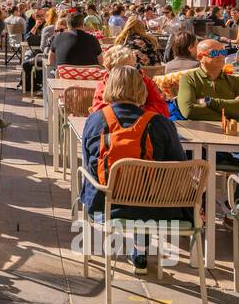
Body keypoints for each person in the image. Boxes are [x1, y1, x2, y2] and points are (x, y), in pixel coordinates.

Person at [80, 65, 188, 272]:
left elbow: (88, 162)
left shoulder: (96, 120)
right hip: (156, 208)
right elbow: (179, 164)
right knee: (147, 186)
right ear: (142, 90)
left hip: (105, 205)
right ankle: (141, 249)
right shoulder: (161, 123)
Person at [177, 38, 239, 121]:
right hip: (201, 131)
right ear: (200, 57)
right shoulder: (188, 78)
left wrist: (209, 102)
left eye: (223, 52)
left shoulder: (236, 81)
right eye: (214, 53)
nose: (220, 56)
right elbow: (188, 111)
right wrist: (230, 114)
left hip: (233, 131)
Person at [89, 44, 169, 117]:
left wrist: (137, 114)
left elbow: (162, 108)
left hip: (142, 125)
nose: (126, 72)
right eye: (120, 69)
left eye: (130, 67)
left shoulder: (144, 80)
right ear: (110, 70)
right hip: (114, 127)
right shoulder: (105, 84)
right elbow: (99, 112)